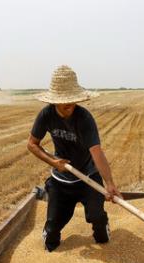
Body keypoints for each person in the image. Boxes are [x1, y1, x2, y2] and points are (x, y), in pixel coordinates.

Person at [27, 65, 122, 252]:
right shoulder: (46, 115)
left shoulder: (84, 118)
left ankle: (102, 224)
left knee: (100, 227)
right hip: (61, 181)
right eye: (64, 101)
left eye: (72, 99)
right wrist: (53, 162)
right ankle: (51, 229)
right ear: (54, 101)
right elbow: (32, 144)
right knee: (51, 238)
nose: (69, 104)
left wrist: (109, 183)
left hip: (88, 177)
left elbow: (97, 152)